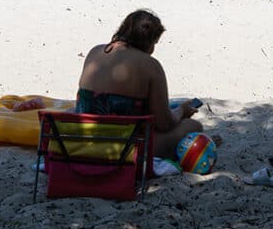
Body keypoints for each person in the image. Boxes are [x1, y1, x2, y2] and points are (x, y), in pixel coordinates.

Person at [76, 10, 204, 158]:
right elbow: (164, 124)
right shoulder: (150, 65)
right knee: (193, 126)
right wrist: (182, 111)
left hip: (82, 143)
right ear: (149, 41)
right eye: (155, 43)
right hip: (124, 150)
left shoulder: (95, 51)